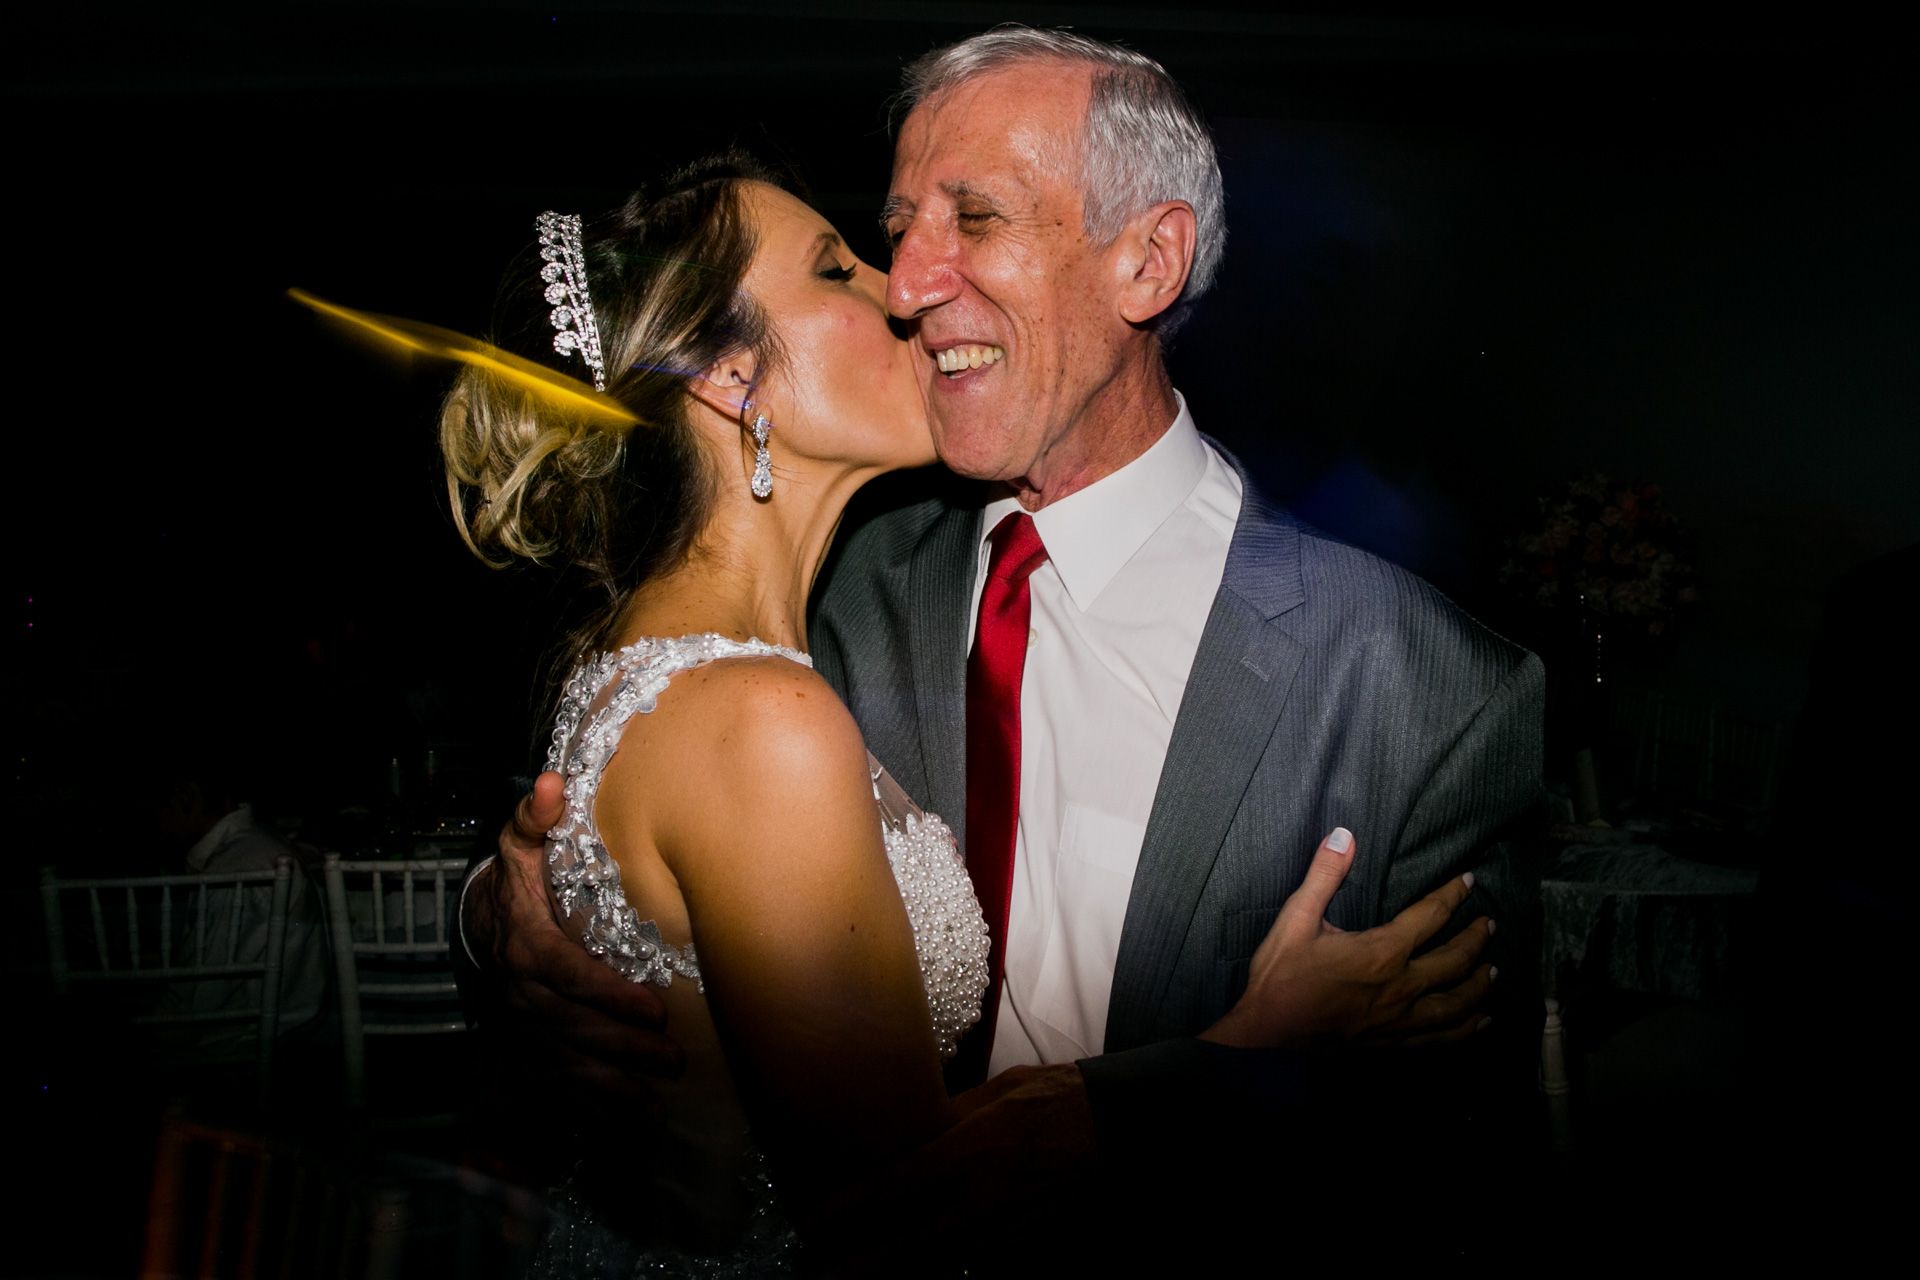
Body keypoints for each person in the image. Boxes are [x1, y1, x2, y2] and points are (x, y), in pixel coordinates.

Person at [442, 149, 1497, 1273]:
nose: (901, 288)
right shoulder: (763, 710)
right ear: (730, 378)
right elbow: (902, 1214)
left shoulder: (667, 645)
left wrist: (509, 911)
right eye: (838, 269)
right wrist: (1249, 1048)